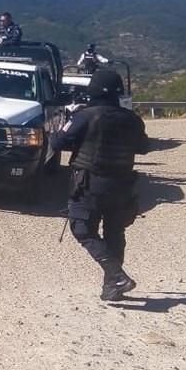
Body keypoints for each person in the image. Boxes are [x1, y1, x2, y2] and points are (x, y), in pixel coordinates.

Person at [49, 70, 150, 302]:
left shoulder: (86, 116)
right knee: (115, 231)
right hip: (123, 185)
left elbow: (57, 142)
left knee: (83, 230)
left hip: (90, 185)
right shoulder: (132, 119)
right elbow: (143, 147)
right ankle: (112, 287)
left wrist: (65, 124)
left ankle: (116, 275)